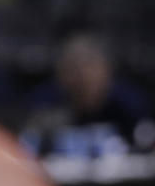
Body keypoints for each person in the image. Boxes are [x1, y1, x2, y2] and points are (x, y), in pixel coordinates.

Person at [22, 32, 152, 156]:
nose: (83, 76)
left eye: (90, 66)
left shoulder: (129, 104)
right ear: (60, 73)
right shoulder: (44, 103)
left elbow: (146, 142)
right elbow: (28, 145)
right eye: (73, 68)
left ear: (106, 70)